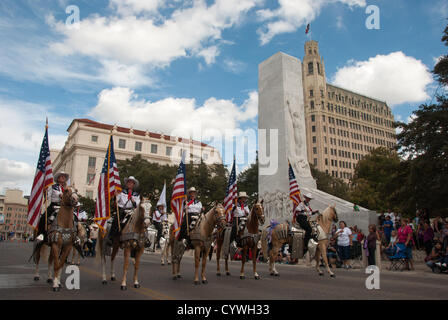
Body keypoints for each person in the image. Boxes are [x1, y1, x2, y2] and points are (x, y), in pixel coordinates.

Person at [36, 172, 70, 242]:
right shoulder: (52, 186)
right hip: (54, 206)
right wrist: (45, 193)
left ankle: (75, 237)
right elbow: (48, 196)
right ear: (58, 178)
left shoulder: (68, 188)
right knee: (43, 218)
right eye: (61, 176)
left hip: (65, 207)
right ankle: (41, 235)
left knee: (75, 219)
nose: (63, 177)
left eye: (64, 176)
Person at [108, 176, 141, 244]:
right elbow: (117, 201)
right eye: (128, 182)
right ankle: (111, 237)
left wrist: (132, 200)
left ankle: (139, 238)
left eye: (131, 182)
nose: (130, 183)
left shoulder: (136, 195)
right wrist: (115, 196)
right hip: (122, 209)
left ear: (134, 184)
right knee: (116, 220)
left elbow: (137, 205)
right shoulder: (121, 191)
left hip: (132, 211)